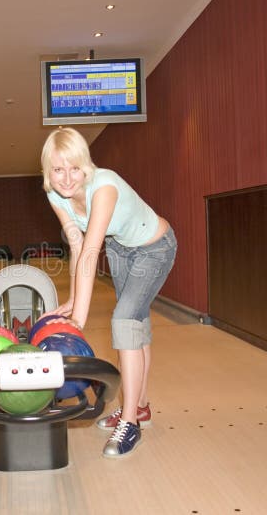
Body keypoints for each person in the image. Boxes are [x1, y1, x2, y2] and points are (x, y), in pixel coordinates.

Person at [40, 127, 177, 458]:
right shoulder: (55, 195)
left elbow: (91, 251)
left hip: (154, 248)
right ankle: (139, 407)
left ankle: (129, 423)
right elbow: (76, 245)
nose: (67, 178)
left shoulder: (104, 186)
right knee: (136, 325)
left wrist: (78, 320)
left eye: (74, 168)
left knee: (124, 321)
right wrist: (74, 299)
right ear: (48, 171)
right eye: (58, 169)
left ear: (86, 165)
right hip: (120, 249)